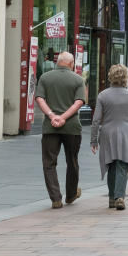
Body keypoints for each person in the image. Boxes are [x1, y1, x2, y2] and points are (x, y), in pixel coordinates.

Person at [90, 64, 128, 210]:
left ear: (110, 76)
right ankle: (120, 196)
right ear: (125, 77)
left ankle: (111, 198)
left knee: (111, 163)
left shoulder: (102, 95)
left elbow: (96, 120)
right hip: (126, 132)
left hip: (107, 133)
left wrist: (93, 140)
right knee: (122, 163)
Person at [34, 51, 86, 208]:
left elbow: (39, 98)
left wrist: (51, 115)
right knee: (72, 161)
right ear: (71, 64)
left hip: (50, 127)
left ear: (57, 62)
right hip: (72, 127)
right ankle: (71, 194)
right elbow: (79, 102)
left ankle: (55, 198)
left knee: (49, 163)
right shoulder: (78, 80)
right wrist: (64, 117)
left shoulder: (45, 77)